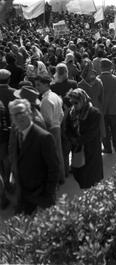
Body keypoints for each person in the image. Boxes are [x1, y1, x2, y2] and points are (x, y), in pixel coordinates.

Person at [8, 99, 59, 215]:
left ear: (30, 113)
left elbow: (54, 168)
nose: (18, 117)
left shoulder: (44, 137)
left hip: (39, 196)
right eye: (14, 114)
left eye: (21, 112)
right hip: (22, 194)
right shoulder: (16, 133)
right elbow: (16, 155)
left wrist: (47, 195)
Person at [65, 88, 103, 189]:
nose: (74, 105)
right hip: (77, 149)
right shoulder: (71, 112)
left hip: (91, 149)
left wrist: (77, 140)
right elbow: (67, 127)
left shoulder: (94, 113)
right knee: (80, 174)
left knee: (92, 176)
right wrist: (71, 138)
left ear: (83, 100)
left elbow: (92, 133)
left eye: (76, 102)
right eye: (72, 102)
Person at [35, 75, 65, 184]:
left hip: (51, 129)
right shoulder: (55, 95)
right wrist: (57, 124)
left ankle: (56, 180)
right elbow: (61, 114)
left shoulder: (46, 100)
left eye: (39, 85)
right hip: (57, 126)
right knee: (58, 153)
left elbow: (46, 121)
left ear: (46, 85)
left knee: (52, 157)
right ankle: (61, 177)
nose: (36, 87)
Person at [98, 58, 116, 153]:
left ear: (101, 67)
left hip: (102, 110)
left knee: (105, 131)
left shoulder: (97, 80)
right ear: (110, 67)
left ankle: (107, 148)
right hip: (115, 109)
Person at [0, 69, 15, 209]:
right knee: (6, 159)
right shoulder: (13, 93)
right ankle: (8, 182)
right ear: (9, 80)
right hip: (8, 133)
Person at [78, 59, 105, 139]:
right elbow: (102, 97)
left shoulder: (80, 84)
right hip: (97, 107)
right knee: (98, 131)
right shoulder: (99, 82)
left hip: (86, 110)